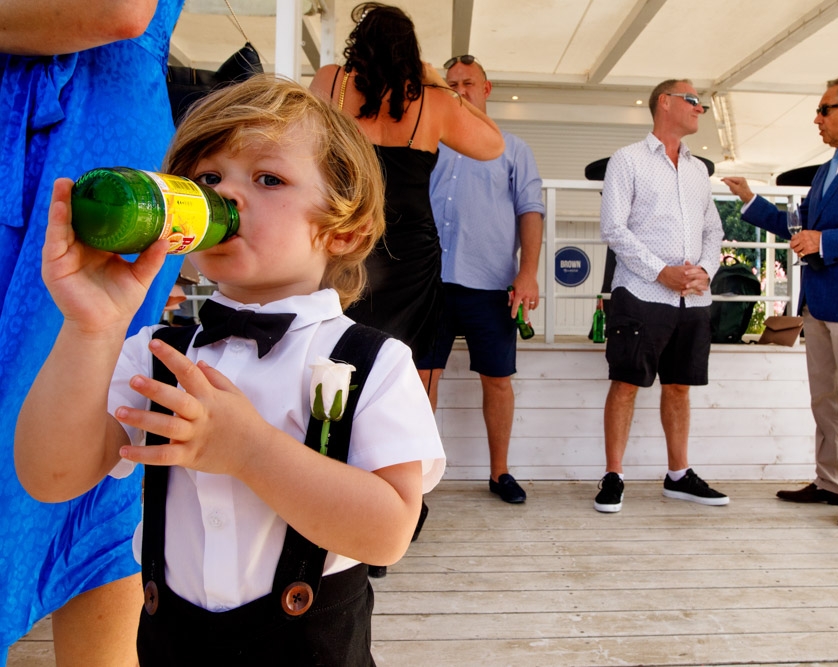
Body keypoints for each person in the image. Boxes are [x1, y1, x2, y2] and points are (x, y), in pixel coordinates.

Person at [14, 76, 446, 664]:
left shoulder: (374, 363)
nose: (228, 195)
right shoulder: (156, 351)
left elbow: (389, 532)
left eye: (268, 178)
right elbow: (50, 476)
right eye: (208, 180)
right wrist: (90, 326)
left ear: (343, 229)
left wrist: (251, 451)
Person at [0, 1, 185, 663]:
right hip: (93, 133)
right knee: (95, 458)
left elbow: (115, 8)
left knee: (84, 456)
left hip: (73, 153)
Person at [722, 75, 838, 528]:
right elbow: (800, 226)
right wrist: (751, 201)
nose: (817, 118)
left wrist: (825, 241)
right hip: (821, 301)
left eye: (825, 110)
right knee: (824, 398)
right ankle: (831, 483)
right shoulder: (829, 167)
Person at [309, 2, 504, 362]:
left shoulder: (332, 82)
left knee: (331, 355)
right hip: (412, 254)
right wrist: (441, 84)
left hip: (347, 238)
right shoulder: (433, 101)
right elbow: (494, 143)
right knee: (410, 367)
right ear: (411, 52)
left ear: (358, 42)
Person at [415, 55, 544, 504]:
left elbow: (531, 210)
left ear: (486, 89)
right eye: (451, 84)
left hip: (491, 283)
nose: (460, 90)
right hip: (429, 282)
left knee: (497, 379)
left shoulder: (513, 148)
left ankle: (499, 473)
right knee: (422, 377)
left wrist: (527, 272)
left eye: (468, 82)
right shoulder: (426, 144)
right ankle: (418, 480)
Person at [595, 78, 728, 514]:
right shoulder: (627, 160)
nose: (700, 109)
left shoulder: (698, 170)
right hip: (640, 294)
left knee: (679, 387)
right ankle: (613, 476)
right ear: (665, 103)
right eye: (692, 100)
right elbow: (614, 228)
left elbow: (714, 229)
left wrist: (705, 269)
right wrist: (661, 272)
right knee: (626, 384)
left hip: (692, 300)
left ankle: (678, 476)